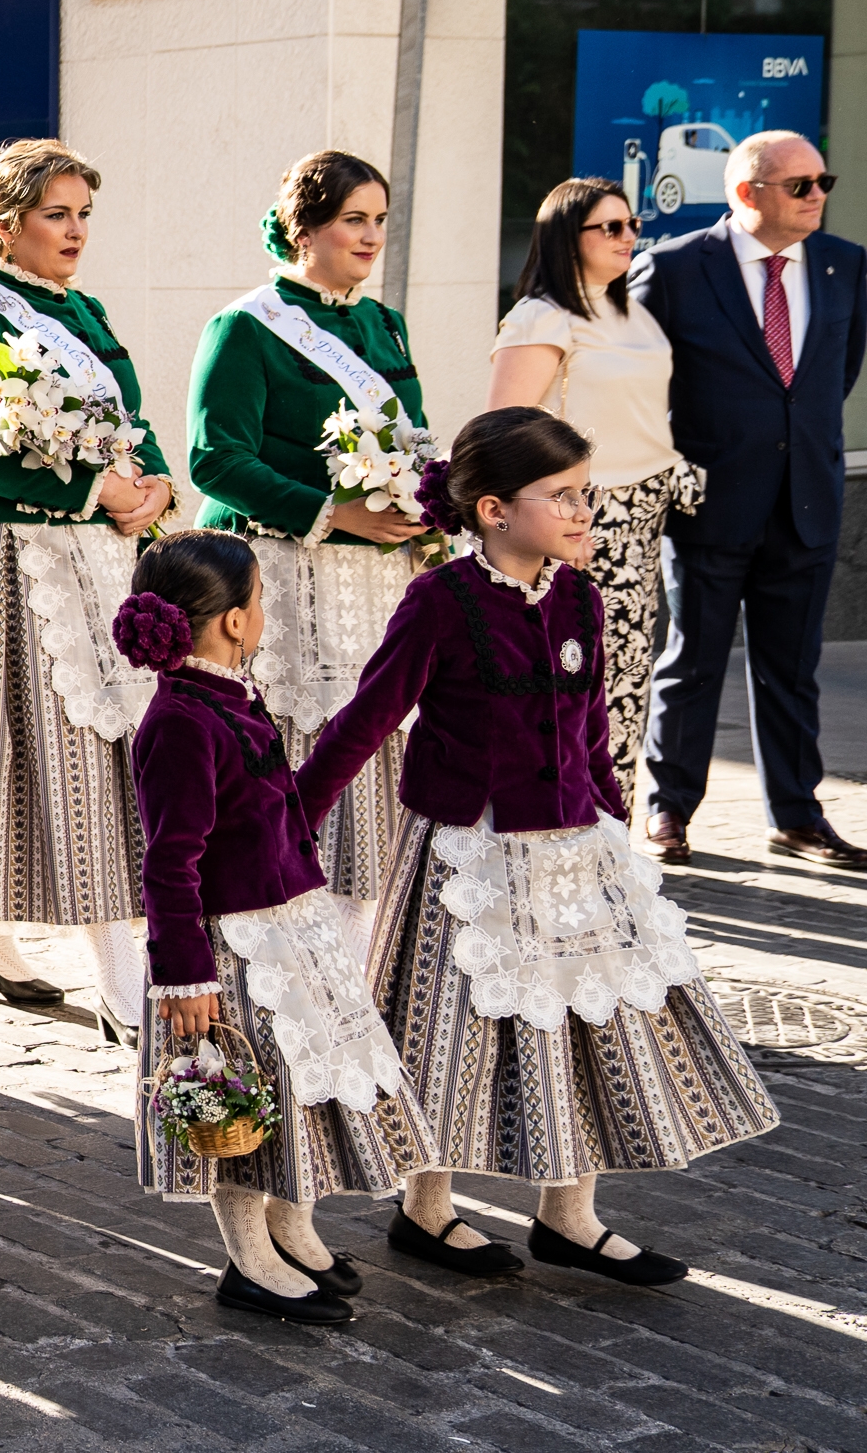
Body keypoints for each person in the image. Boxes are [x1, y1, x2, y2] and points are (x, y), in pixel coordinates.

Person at [300, 408, 777, 1286]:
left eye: (583, 492)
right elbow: (366, 719)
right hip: (468, 857)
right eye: (561, 495)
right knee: (448, 1035)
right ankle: (426, 1208)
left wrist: (613, 820)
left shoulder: (578, 597)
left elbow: (591, 726)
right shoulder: (439, 601)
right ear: (491, 509)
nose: (582, 509)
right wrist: (290, 823)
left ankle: (570, 1216)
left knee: (586, 1022)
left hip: (574, 851)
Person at [115, 531, 431, 1327]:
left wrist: (341, 754)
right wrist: (185, 976)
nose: (266, 612)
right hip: (232, 949)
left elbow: (269, 803)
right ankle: (248, 1259)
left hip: (288, 924)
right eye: (260, 597)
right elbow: (170, 861)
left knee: (296, 1091)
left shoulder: (231, 694)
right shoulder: (181, 721)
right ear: (231, 621)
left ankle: (293, 1228)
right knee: (241, 1101)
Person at [0, 139, 175, 1034]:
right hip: (7, 556)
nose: (73, 232)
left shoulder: (88, 310)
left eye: (82, 216)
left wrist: (154, 484)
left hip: (98, 554)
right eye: (54, 215)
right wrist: (89, 489)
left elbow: (132, 425)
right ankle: (117, 981)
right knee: (28, 760)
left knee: (108, 755)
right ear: (3, 222)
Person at [187, 152, 435, 907]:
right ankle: (279, 903)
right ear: (304, 229)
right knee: (296, 740)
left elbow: (413, 435)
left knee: (375, 737)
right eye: (352, 220)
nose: (370, 237)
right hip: (286, 569)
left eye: (379, 221)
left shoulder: (383, 323)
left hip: (378, 576)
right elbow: (215, 458)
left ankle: (368, 915)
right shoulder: (245, 327)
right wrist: (333, 512)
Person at [628, 130, 867, 869]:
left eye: (822, 180)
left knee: (792, 666)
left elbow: (836, 370)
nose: (818, 195)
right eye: (800, 185)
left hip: (808, 501)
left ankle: (795, 814)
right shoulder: (672, 268)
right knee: (693, 660)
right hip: (711, 502)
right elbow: (639, 377)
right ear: (746, 193)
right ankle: (669, 809)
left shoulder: (844, 264)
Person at [489, 178, 696, 803]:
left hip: (641, 524)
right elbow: (504, 431)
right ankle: (559, 840)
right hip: (579, 525)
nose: (629, 236)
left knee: (624, 685)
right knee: (568, 686)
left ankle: (612, 848)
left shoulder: (626, 306)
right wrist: (561, 526)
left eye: (633, 225)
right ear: (564, 236)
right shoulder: (543, 314)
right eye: (610, 227)